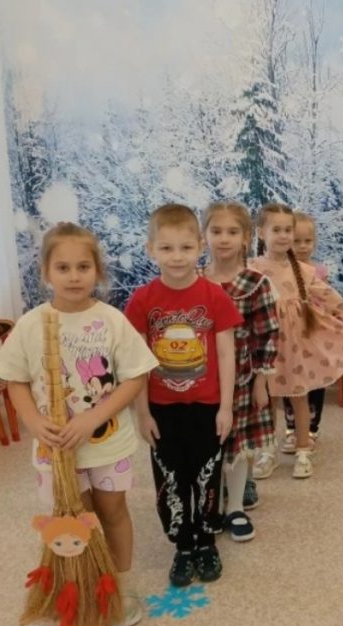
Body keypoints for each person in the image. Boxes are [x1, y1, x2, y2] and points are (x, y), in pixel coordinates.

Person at [0, 222, 158, 626]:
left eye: (83, 267)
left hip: (107, 445)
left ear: (97, 270)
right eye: (62, 268)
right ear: (46, 272)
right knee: (73, 517)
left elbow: (135, 376)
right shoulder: (31, 324)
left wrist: (92, 418)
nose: (74, 276)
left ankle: (119, 584)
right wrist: (34, 422)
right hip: (55, 448)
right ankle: (80, 588)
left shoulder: (111, 320)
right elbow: (15, 380)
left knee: (112, 512)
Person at [125, 204, 242, 587]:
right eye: (167, 248)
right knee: (171, 479)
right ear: (151, 250)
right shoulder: (142, 300)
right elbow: (137, 362)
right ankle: (183, 544)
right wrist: (142, 412)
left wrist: (226, 408)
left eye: (186, 248)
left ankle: (207, 541)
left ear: (200, 248)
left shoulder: (214, 296)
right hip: (162, 409)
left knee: (207, 477)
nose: (177, 257)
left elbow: (226, 354)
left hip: (208, 407)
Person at [250, 204, 343, 479]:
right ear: (261, 232)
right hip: (263, 346)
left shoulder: (302, 270)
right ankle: (267, 452)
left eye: (287, 230)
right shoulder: (251, 268)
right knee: (266, 401)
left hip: (294, 348)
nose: (283, 235)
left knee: (298, 397)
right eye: (276, 229)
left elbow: (328, 296)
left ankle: (303, 450)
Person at [202, 202, 279, 541]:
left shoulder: (255, 283)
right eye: (216, 231)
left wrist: (262, 380)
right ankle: (212, 504)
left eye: (232, 232)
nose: (224, 239)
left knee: (237, 442)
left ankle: (235, 507)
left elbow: (268, 334)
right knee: (209, 442)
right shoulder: (194, 280)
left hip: (242, 380)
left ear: (246, 237)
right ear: (204, 235)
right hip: (200, 379)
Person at [280, 211, 327, 454]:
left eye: (307, 241)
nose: (302, 246)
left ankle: (310, 430)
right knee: (291, 383)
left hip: (313, 336)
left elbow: (327, 301)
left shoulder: (320, 271)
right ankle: (291, 430)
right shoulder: (280, 271)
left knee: (314, 383)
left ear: (314, 242)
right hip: (289, 339)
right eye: (296, 241)